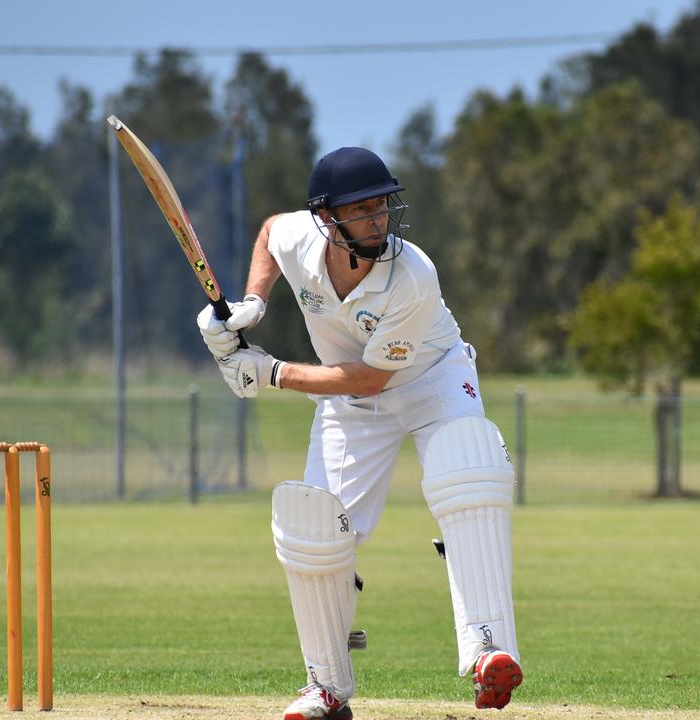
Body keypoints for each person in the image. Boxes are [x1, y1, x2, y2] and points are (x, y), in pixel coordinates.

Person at [196, 147, 522, 720]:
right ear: (328, 217)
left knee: (468, 468)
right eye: (362, 208)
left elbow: (373, 377)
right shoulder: (302, 238)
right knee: (314, 523)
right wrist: (252, 302)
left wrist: (271, 373)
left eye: (382, 205)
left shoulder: (413, 274)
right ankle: (326, 686)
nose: (377, 219)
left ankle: (488, 653)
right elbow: (272, 231)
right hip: (346, 395)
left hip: (431, 378)